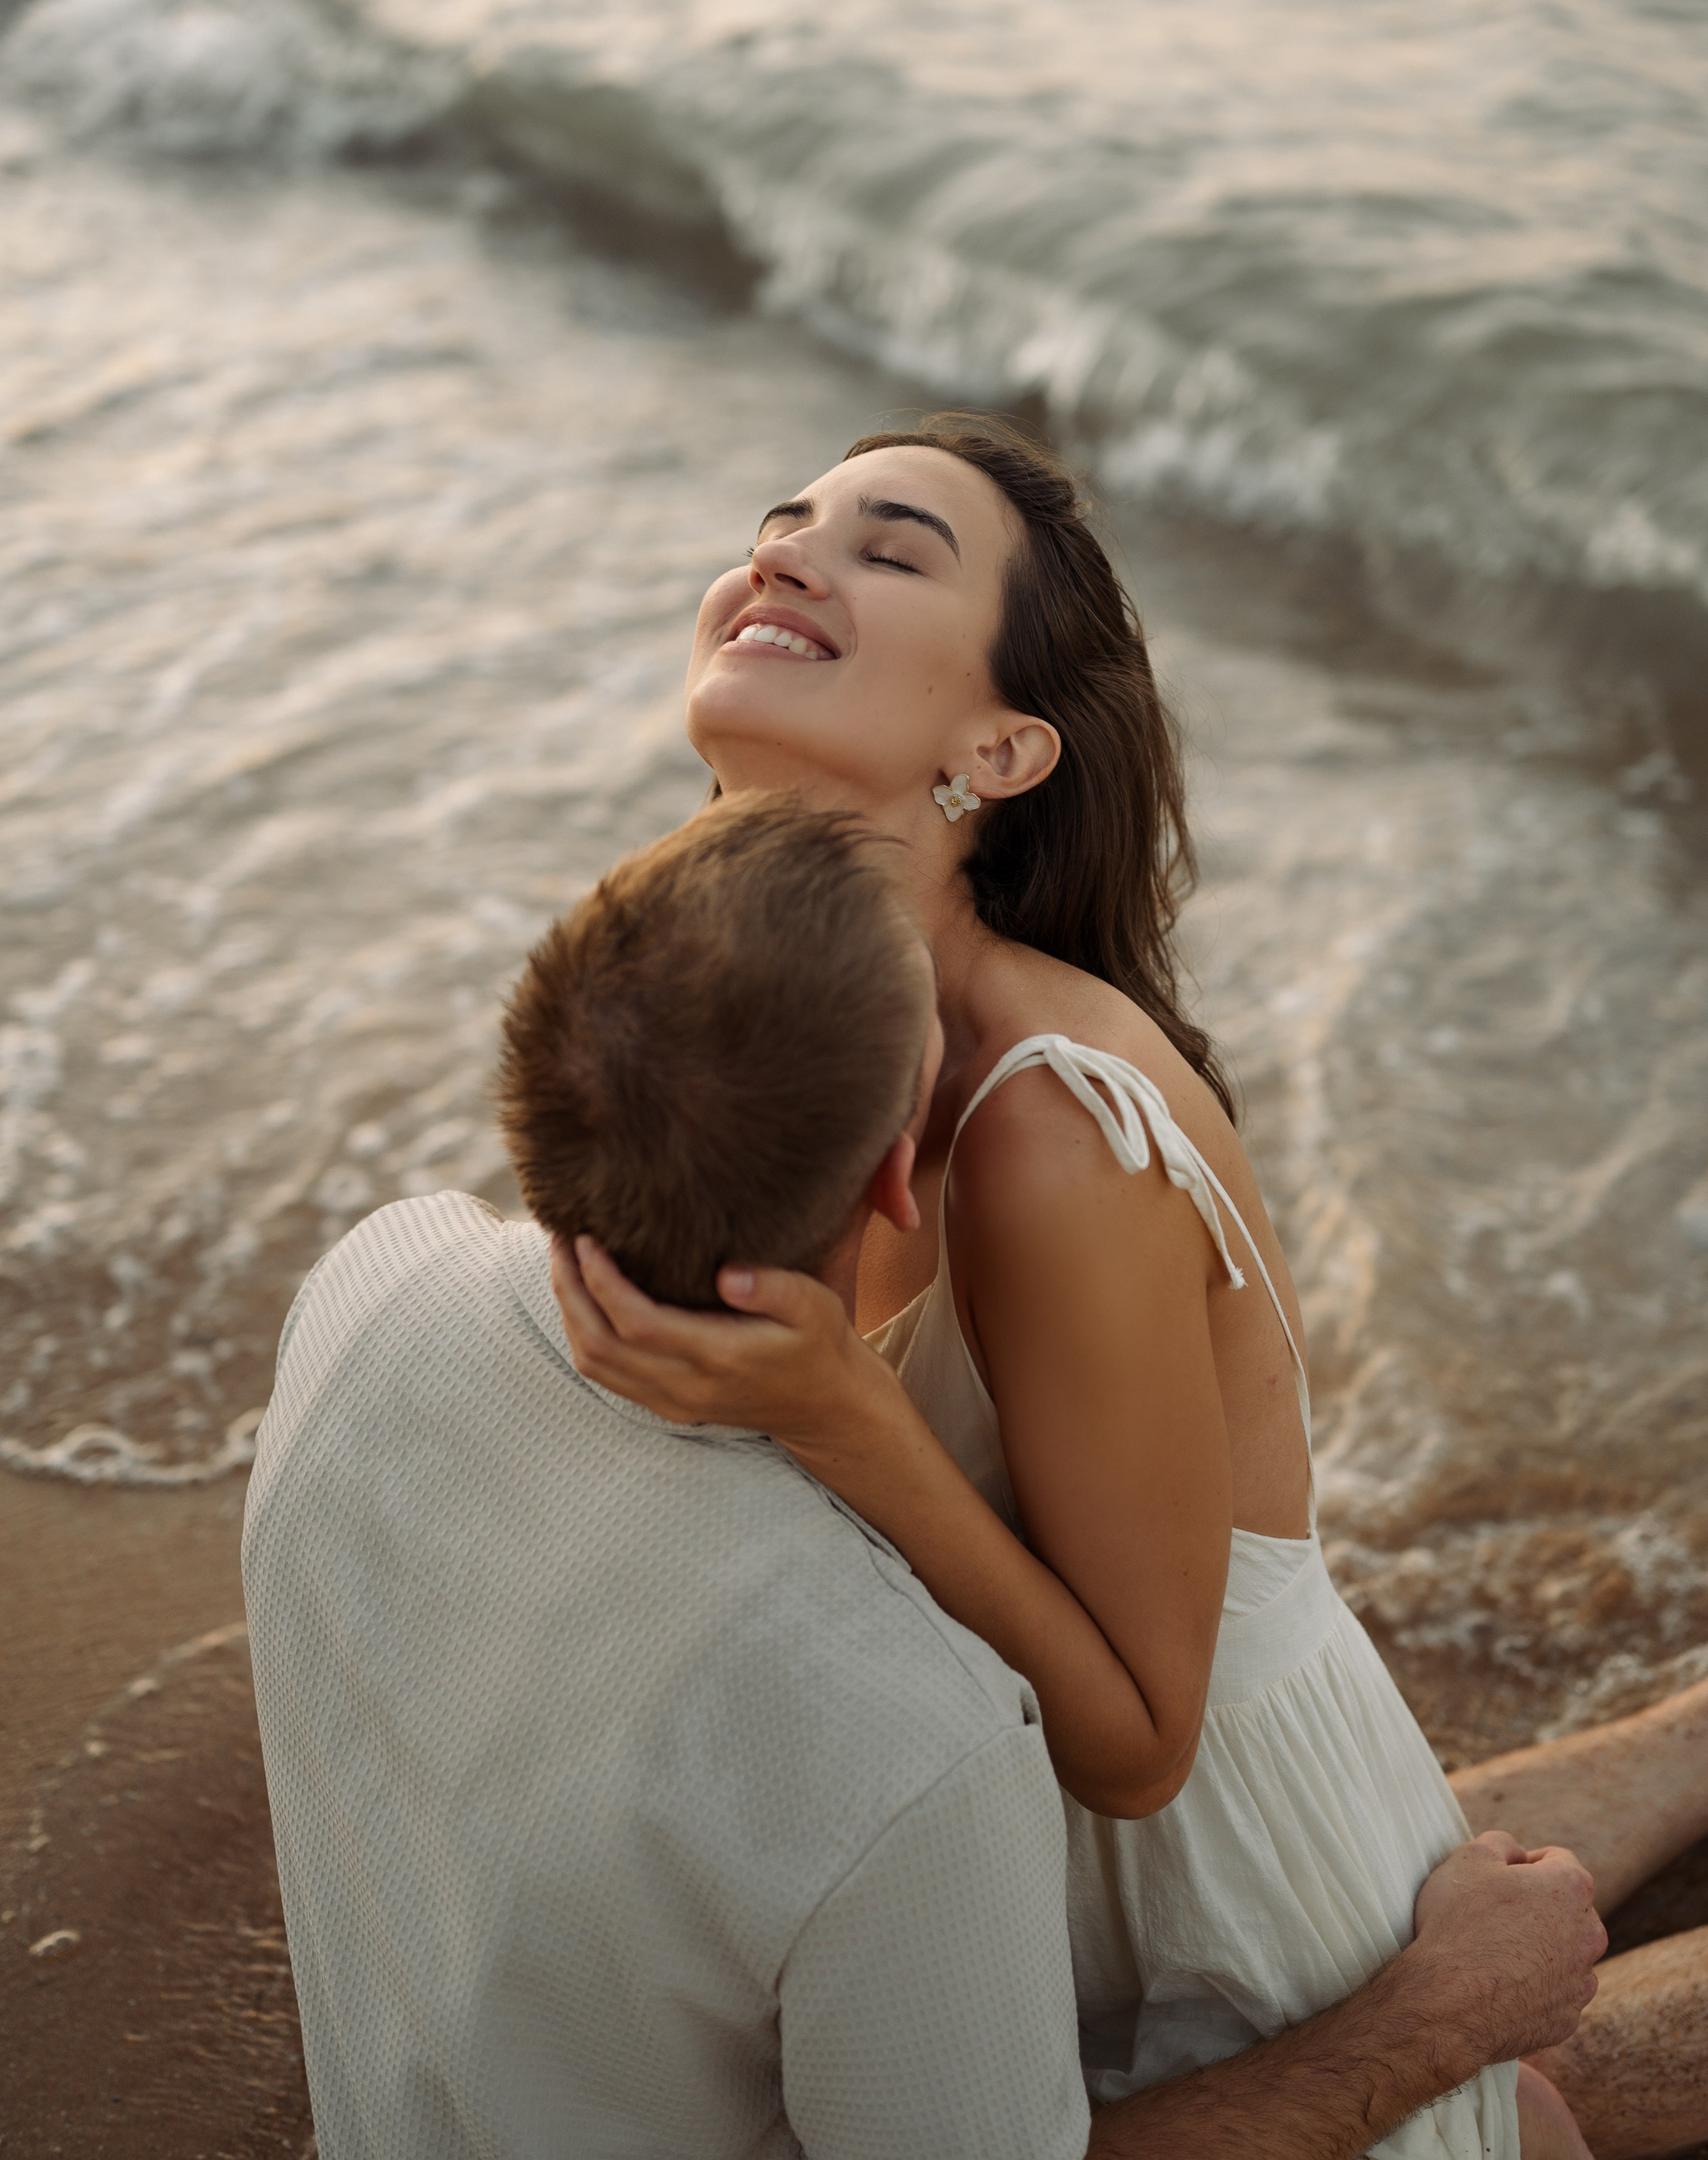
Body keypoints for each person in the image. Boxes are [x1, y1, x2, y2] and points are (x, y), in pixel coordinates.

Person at [548, 414, 1708, 2160]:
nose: (784, 553)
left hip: (1202, 1861)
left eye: (889, 546)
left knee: (1522, 2108)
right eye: (783, 522)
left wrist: (841, 1415)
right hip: (1008, 1827)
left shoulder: (1046, 1136)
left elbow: (1149, 1746)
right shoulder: (724, 1011)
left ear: (1002, 747)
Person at [244, 795, 1602, 2160]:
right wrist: (1441, 2008)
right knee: (1523, 2118)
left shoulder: (366, 1296)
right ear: (901, 1173)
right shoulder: (905, 1729)